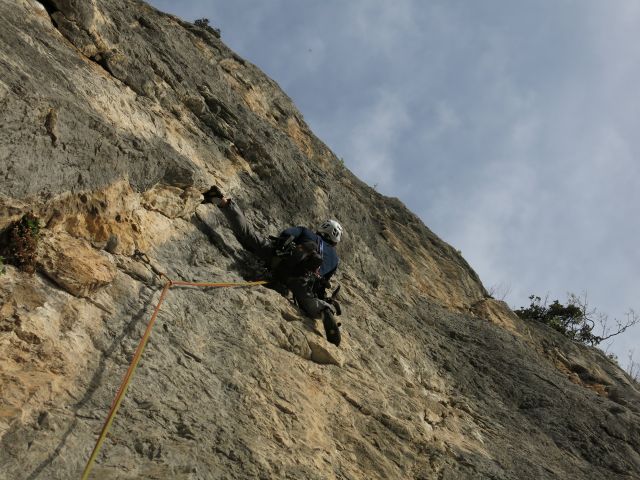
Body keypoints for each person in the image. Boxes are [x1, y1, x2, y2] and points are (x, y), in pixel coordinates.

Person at [201, 186, 343, 346]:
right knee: (310, 303)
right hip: (300, 279)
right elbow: (321, 285)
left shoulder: (306, 232)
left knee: (248, 235)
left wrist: (281, 249)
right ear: (335, 239)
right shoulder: (334, 260)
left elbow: (287, 234)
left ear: (322, 229)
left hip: (279, 259)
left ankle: (223, 202)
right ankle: (324, 310)